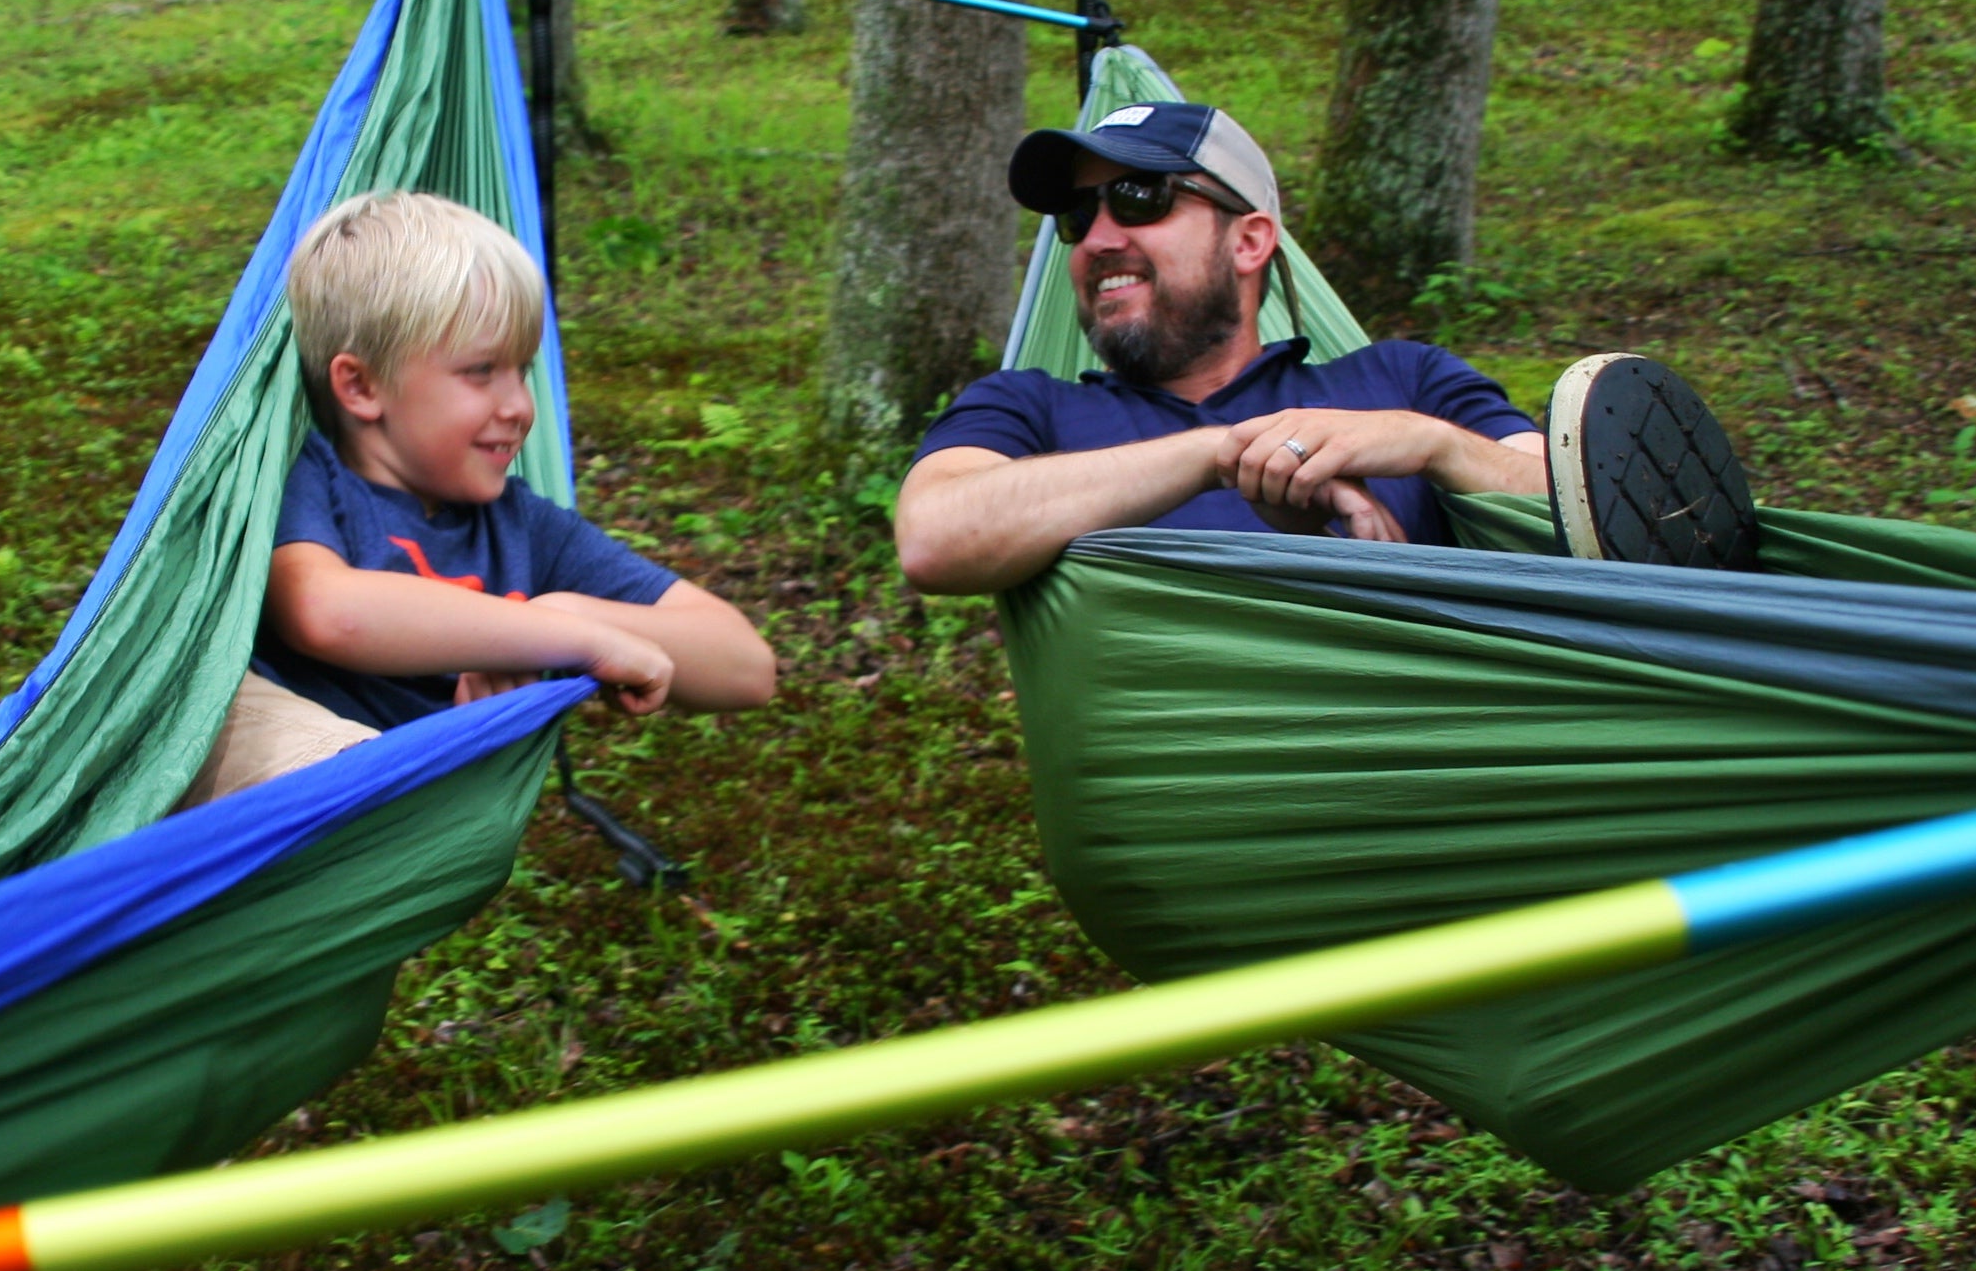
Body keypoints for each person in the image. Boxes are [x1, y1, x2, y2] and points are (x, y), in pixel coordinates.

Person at [896, 103, 1756, 595]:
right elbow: (932, 537)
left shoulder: (1402, 379)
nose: (1097, 238)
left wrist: (1432, 444)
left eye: (1138, 196)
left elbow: (1596, 510)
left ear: (1250, 240)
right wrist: (1219, 454)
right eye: (1077, 218)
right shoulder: (1029, 407)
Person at [183, 191, 775, 805]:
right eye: (481, 371)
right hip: (282, 809)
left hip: (415, 831)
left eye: (521, 371)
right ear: (359, 386)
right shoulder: (304, 474)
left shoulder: (523, 529)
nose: (519, 407)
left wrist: (574, 615)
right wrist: (560, 639)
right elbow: (326, 612)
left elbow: (746, 666)